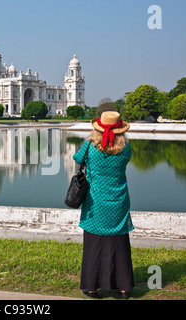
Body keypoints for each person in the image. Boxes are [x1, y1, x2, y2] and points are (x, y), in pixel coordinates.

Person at [72, 111, 134, 299]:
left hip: (95, 201)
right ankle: (123, 289)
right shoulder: (127, 149)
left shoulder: (90, 147)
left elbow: (77, 158)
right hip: (118, 200)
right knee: (120, 244)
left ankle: (91, 287)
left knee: (94, 244)